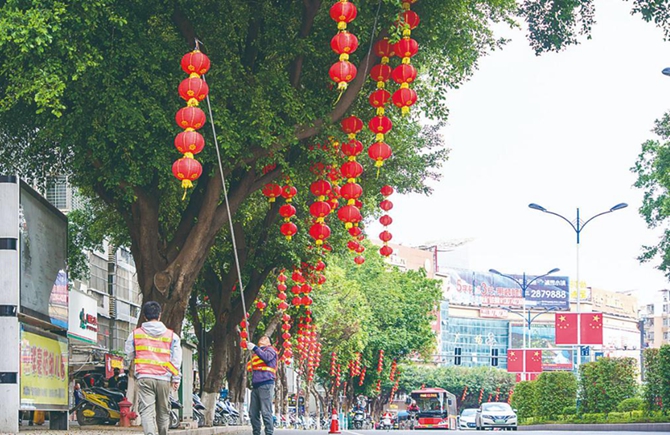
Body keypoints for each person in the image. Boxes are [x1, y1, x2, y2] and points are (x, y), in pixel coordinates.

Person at [125, 301, 182, 435]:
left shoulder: (135, 334)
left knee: (146, 411)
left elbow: (128, 354)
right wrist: (176, 378)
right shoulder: (172, 336)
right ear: (160, 315)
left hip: (144, 378)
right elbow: (176, 360)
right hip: (164, 378)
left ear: (144, 316)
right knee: (163, 411)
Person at [246, 336, 277, 435]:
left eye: (265, 338)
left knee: (265, 412)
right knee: (253, 413)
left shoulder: (271, 350)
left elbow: (266, 358)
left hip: (266, 384)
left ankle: (269, 433)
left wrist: (255, 348)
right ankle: (256, 433)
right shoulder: (256, 354)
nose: (262, 338)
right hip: (256, 386)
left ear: (269, 343)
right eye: (261, 338)